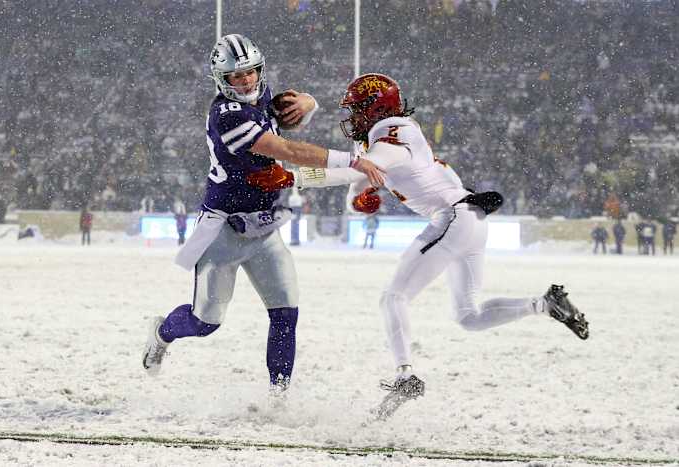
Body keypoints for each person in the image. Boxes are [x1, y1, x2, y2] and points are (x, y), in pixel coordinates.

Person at [250, 73, 589, 416]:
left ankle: (404, 375)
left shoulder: (396, 131)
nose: (352, 119)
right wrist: (361, 198)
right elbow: (362, 179)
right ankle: (543, 305)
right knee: (469, 316)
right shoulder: (375, 138)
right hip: (470, 219)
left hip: (454, 218)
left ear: (376, 108)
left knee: (393, 298)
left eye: (357, 111)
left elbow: (360, 168)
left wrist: (295, 176)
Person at [142, 34, 383, 394]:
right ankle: (162, 333)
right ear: (221, 79)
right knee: (205, 322)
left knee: (286, 314)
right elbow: (286, 148)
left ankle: (278, 397)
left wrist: (309, 101)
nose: (246, 81)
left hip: (264, 228)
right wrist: (351, 160)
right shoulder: (227, 115)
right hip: (224, 231)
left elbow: (293, 108)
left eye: (251, 73)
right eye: (237, 77)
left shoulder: (261, 99)